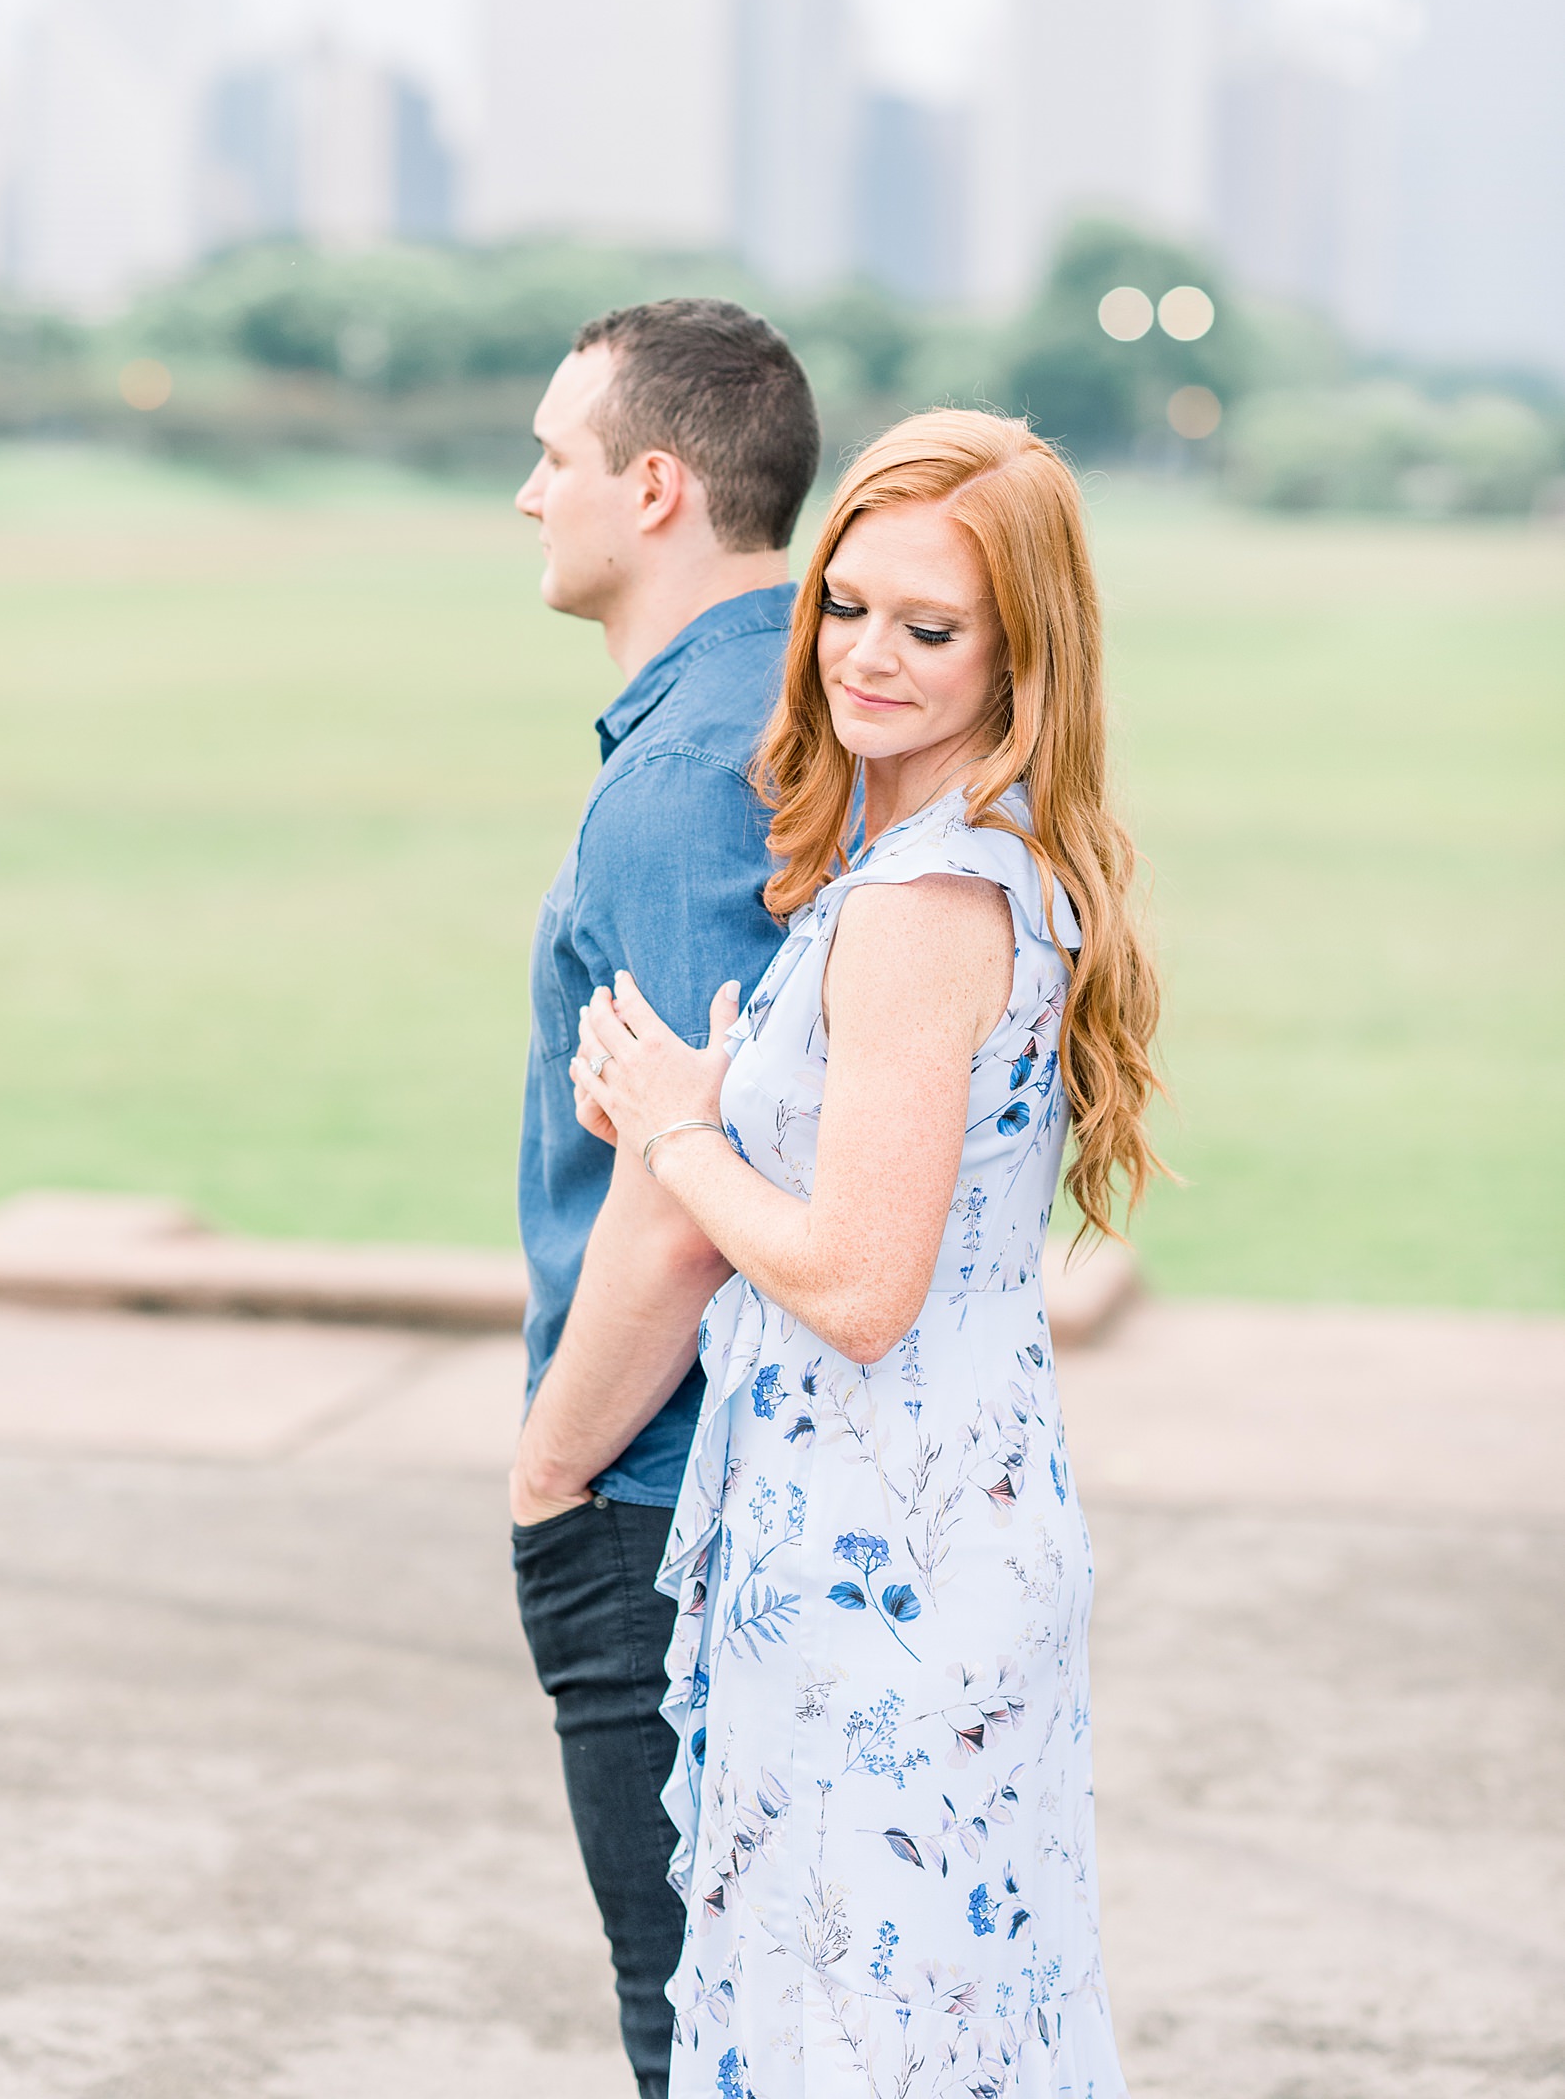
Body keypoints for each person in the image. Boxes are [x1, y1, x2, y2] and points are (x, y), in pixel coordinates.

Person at [571, 409, 1163, 2097]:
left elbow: (851, 1282)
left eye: (930, 627)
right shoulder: (964, 866)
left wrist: (686, 1133)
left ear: (1017, 652)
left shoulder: (920, 908)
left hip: (879, 1564)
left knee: (861, 2043)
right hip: (939, 1524)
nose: (865, 657)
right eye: (844, 605)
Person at [508, 296, 821, 2099]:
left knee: (695, 2039)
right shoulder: (780, 706)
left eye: (552, 460)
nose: (523, 497)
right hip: (726, 1478)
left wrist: (553, 1471)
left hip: (659, 1495)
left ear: (650, 486)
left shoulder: (691, 776)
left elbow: (693, 1185)